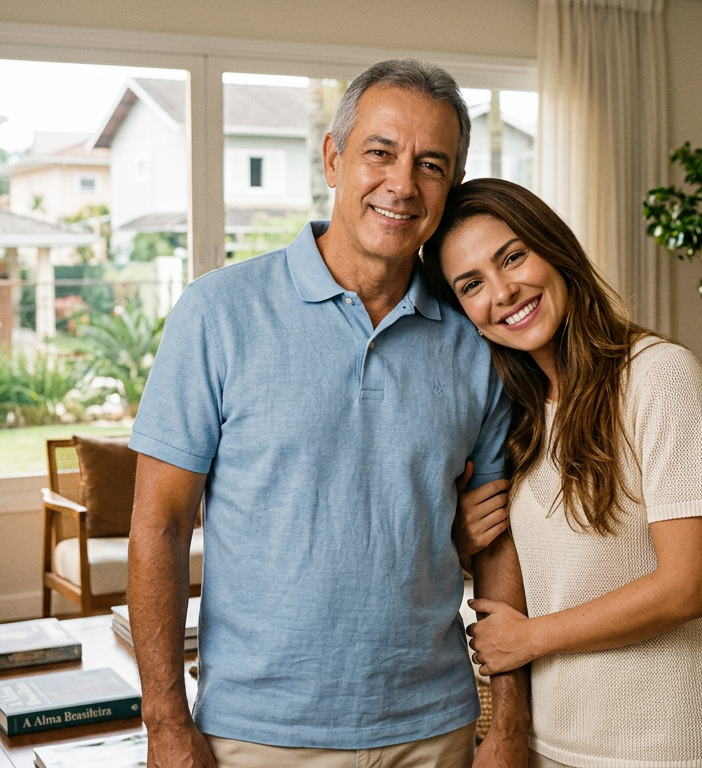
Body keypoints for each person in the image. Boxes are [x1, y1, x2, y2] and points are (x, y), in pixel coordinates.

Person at [125, 60, 529, 768]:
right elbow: (158, 526)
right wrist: (165, 721)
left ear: (450, 187)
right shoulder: (218, 313)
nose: (402, 183)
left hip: (434, 727)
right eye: (381, 152)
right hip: (259, 731)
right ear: (334, 158)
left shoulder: (476, 337)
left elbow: (496, 545)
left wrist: (509, 726)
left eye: (431, 165)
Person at [423, 178, 702, 768]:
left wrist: (530, 638)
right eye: (472, 285)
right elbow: (555, 565)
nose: (504, 291)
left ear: (554, 247)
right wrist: (462, 542)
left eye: (512, 256)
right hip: (551, 742)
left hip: (660, 746)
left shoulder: (661, 378)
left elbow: (688, 587)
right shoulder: (518, 413)